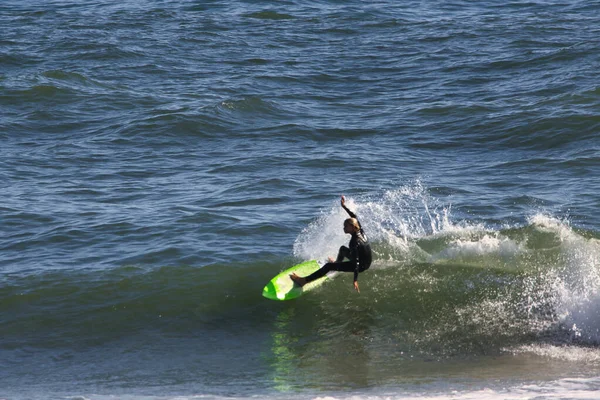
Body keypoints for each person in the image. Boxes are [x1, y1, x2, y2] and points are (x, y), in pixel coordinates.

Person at [290, 195, 372, 293]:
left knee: (328, 266)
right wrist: (344, 206)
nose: (343, 228)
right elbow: (354, 216)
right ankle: (336, 264)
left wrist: (355, 280)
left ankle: (303, 281)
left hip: (361, 266)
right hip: (366, 261)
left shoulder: (354, 242)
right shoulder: (359, 229)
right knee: (342, 249)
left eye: (346, 226)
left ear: (353, 227)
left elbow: (357, 262)